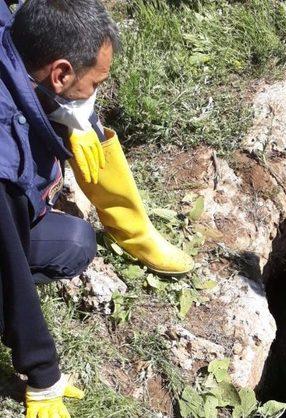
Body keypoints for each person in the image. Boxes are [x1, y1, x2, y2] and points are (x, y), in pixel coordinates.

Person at [0, 1, 193, 416]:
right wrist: (42, 373)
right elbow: (10, 264)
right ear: (61, 72)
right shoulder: (3, 165)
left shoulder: (10, 29)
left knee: (75, 242)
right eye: (94, 83)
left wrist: (71, 117)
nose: (96, 94)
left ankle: (134, 230)